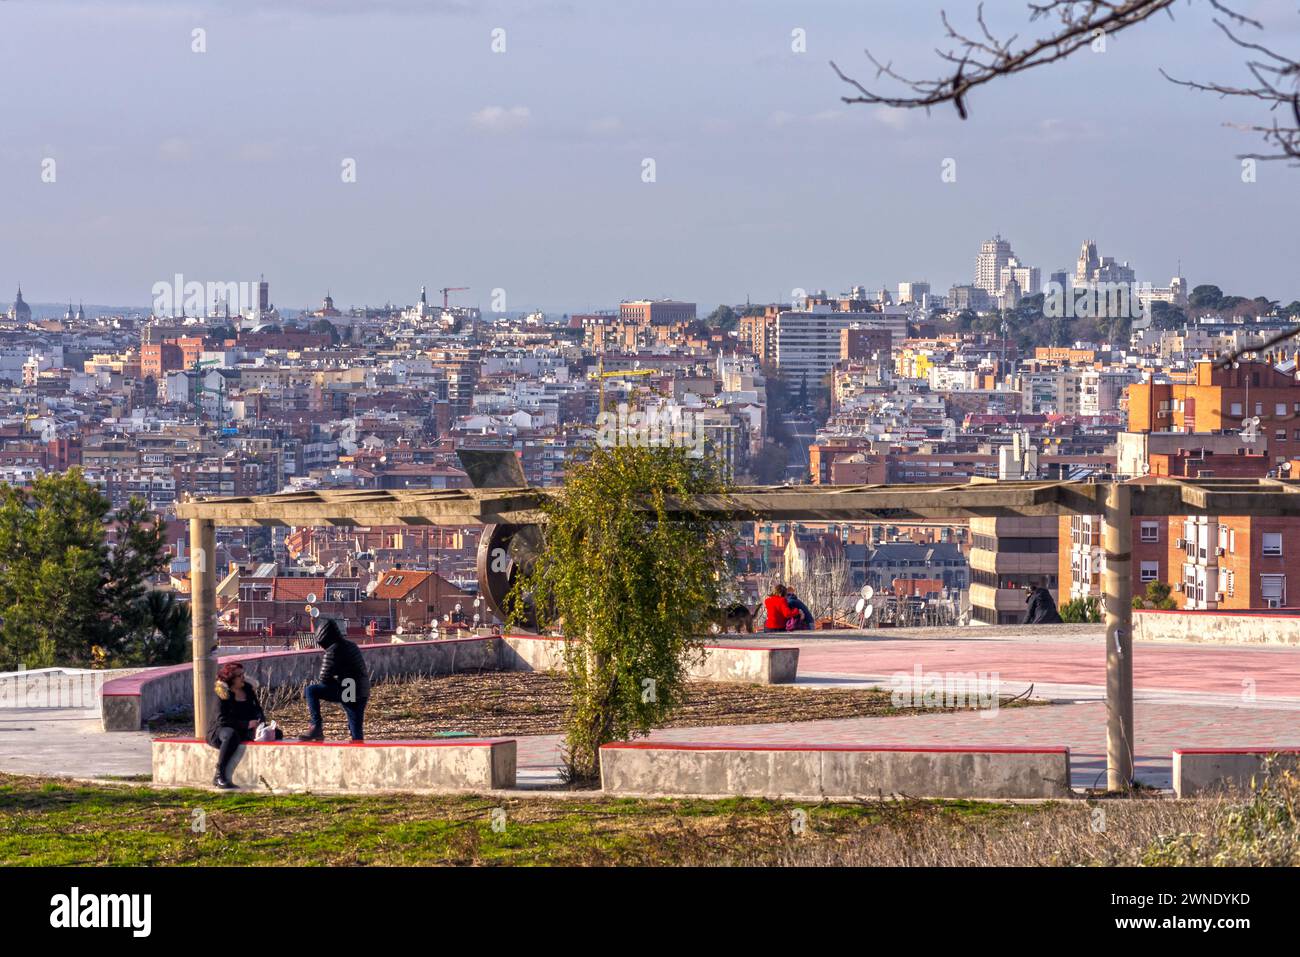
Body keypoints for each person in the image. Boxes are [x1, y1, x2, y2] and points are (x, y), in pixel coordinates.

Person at [207, 661, 280, 789]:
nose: (243, 677)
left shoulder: (247, 689)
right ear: (231, 678)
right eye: (239, 675)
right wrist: (246, 724)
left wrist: (260, 724)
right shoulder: (222, 693)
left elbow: (258, 710)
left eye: (243, 674)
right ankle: (219, 775)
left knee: (276, 734)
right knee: (231, 735)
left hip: (245, 729)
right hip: (221, 730)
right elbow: (222, 720)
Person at [299, 617, 371, 741]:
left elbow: (324, 678)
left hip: (349, 690)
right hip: (361, 690)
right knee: (356, 729)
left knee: (311, 690)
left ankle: (316, 726)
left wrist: (335, 682)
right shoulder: (352, 645)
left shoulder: (333, 650)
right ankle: (358, 750)